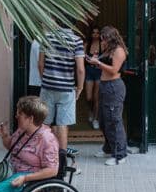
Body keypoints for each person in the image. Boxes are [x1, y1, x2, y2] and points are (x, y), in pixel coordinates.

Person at [87, 26, 129, 166]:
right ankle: (108, 148)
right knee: (104, 120)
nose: (102, 42)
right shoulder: (108, 51)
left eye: (103, 39)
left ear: (110, 38)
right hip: (105, 86)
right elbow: (104, 66)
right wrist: (94, 60)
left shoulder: (119, 51)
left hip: (114, 87)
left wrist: (98, 62)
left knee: (114, 121)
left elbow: (114, 70)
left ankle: (120, 155)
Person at [38, 27, 85, 152]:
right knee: (62, 124)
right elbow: (80, 69)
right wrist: (80, 87)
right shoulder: (76, 40)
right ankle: (61, 162)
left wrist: (45, 80)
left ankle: (44, 156)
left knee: (45, 123)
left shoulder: (47, 37)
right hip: (66, 88)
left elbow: (40, 63)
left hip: (48, 86)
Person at [84, 25, 103, 130]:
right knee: (88, 97)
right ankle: (91, 111)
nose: (95, 35)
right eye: (93, 33)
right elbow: (81, 56)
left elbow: (106, 57)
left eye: (97, 33)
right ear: (91, 34)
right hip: (89, 70)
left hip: (99, 71)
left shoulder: (102, 44)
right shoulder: (87, 44)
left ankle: (96, 119)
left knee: (97, 98)